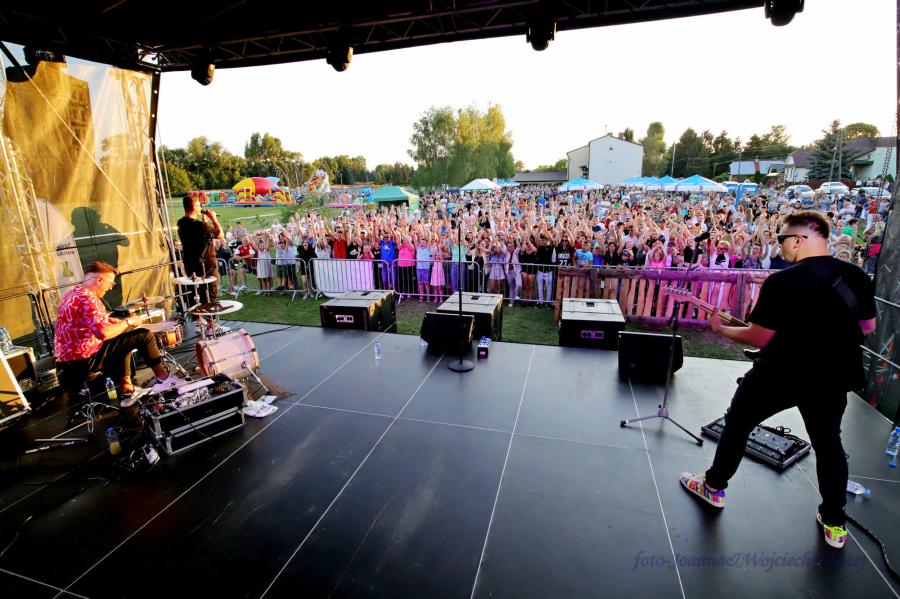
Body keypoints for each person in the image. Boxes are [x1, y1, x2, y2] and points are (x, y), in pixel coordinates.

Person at [680, 211, 877, 551]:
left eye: (783, 238)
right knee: (829, 445)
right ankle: (834, 523)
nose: (780, 245)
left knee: (738, 423)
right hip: (831, 378)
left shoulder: (782, 282)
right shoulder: (856, 275)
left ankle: (713, 487)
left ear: (799, 239)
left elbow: (760, 337)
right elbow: (868, 327)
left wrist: (721, 329)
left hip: (779, 374)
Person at [54, 261, 177, 406]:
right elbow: (103, 334)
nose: (111, 287)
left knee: (124, 339)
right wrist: (129, 322)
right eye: (110, 283)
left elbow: (80, 321)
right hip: (83, 361)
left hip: (66, 363)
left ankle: (127, 387)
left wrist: (108, 320)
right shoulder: (88, 299)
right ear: (99, 280)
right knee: (144, 335)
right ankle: (164, 379)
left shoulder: (73, 294)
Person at [177, 195, 227, 336]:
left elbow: (199, 238)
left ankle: (199, 322)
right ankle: (212, 326)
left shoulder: (181, 223)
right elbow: (220, 234)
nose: (201, 208)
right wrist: (213, 218)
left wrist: (204, 222)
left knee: (196, 294)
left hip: (191, 265)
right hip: (207, 265)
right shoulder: (199, 225)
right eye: (199, 205)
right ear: (194, 207)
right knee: (210, 293)